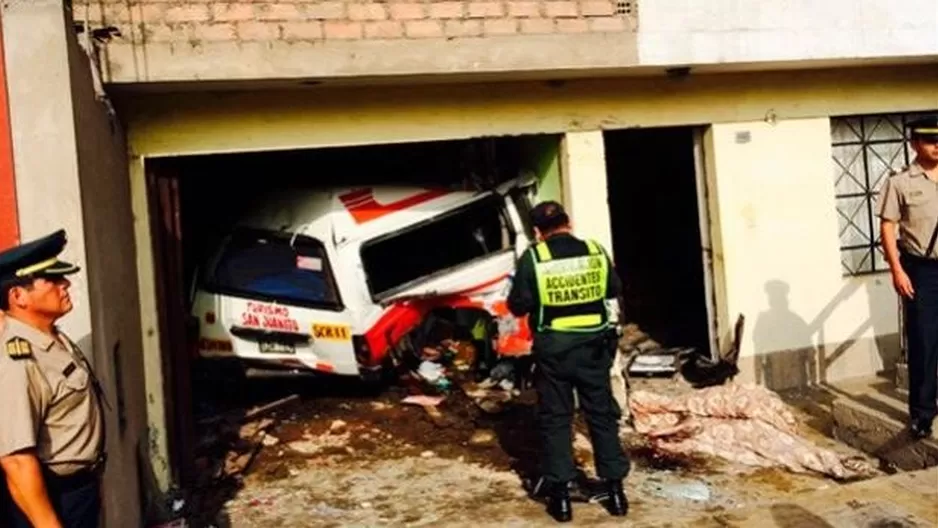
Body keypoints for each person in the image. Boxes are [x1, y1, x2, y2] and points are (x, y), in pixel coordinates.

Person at [507, 201, 629, 522]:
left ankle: (561, 498)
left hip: (554, 354)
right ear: (569, 223)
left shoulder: (534, 258)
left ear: (537, 232)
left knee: (556, 418)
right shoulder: (596, 251)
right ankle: (615, 493)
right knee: (602, 414)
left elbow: (519, 305)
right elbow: (613, 289)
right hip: (594, 349)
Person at [0, 229, 107, 527]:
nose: (66, 284)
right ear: (18, 296)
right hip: (54, 498)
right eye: (52, 280)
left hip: (80, 489)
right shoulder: (17, 362)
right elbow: (16, 460)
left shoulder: (48, 337)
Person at [877, 115, 938, 440]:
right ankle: (923, 414)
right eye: (930, 141)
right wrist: (896, 269)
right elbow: (887, 226)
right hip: (922, 270)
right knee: (924, 343)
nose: (937, 146)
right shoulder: (900, 182)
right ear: (915, 144)